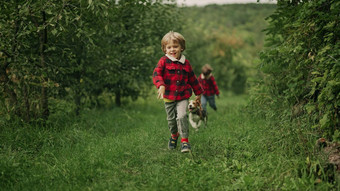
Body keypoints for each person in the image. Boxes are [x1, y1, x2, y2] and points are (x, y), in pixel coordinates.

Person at [153, 31, 203, 153]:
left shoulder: (186, 63)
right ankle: (174, 135)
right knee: (171, 120)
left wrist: (198, 92)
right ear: (164, 49)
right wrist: (161, 85)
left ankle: (185, 141)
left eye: (175, 46)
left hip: (182, 96)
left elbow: (192, 78)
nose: (172, 50)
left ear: (182, 47)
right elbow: (157, 73)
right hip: (168, 96)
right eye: (169, 47)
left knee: (181, 116)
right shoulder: (163, 61)